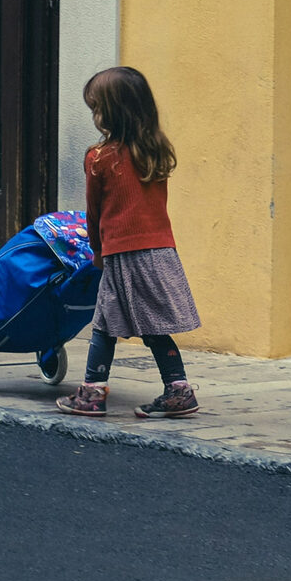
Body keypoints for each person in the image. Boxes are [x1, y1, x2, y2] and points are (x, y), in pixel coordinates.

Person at [57, 66, 201, 417]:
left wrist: (98, 253)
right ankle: (178, 389)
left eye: (97, 108)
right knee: (154, 326)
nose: (94, 116)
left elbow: (95, 213)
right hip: (161, 251)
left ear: (115, 110)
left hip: (123, 253)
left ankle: (92, 393)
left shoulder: (99, 157)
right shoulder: (154, 150)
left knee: (104, 323)